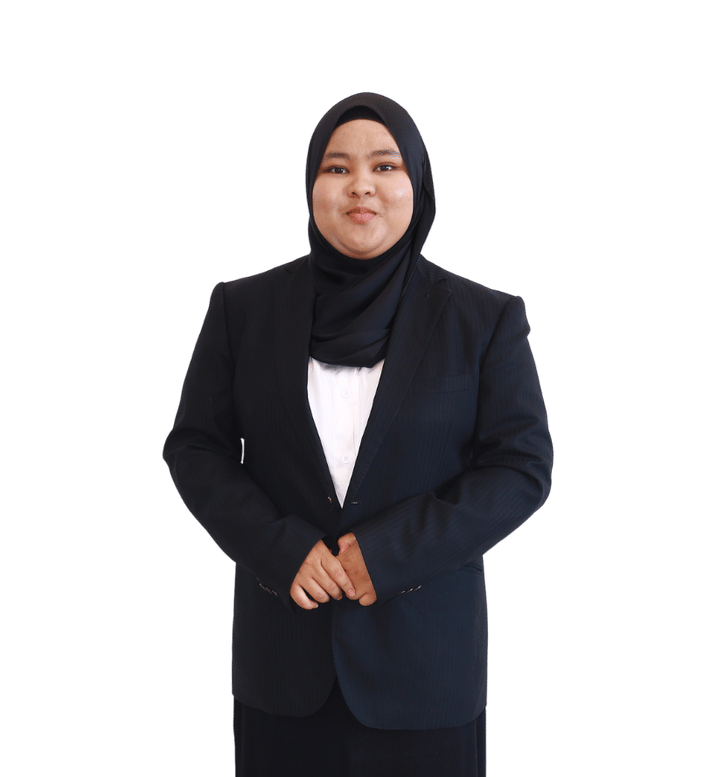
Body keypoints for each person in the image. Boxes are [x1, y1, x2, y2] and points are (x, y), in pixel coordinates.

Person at [161, 91, 554, 776]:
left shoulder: (483, 317)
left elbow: (521, 467)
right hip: (283, 670)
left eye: (384, 165)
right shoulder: (242, 309)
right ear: (310, 185)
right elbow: (196, 448)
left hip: (425, 676)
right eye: (336, 168)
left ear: (417, 183)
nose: (360, 186)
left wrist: (389, 553)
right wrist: (277, 547)